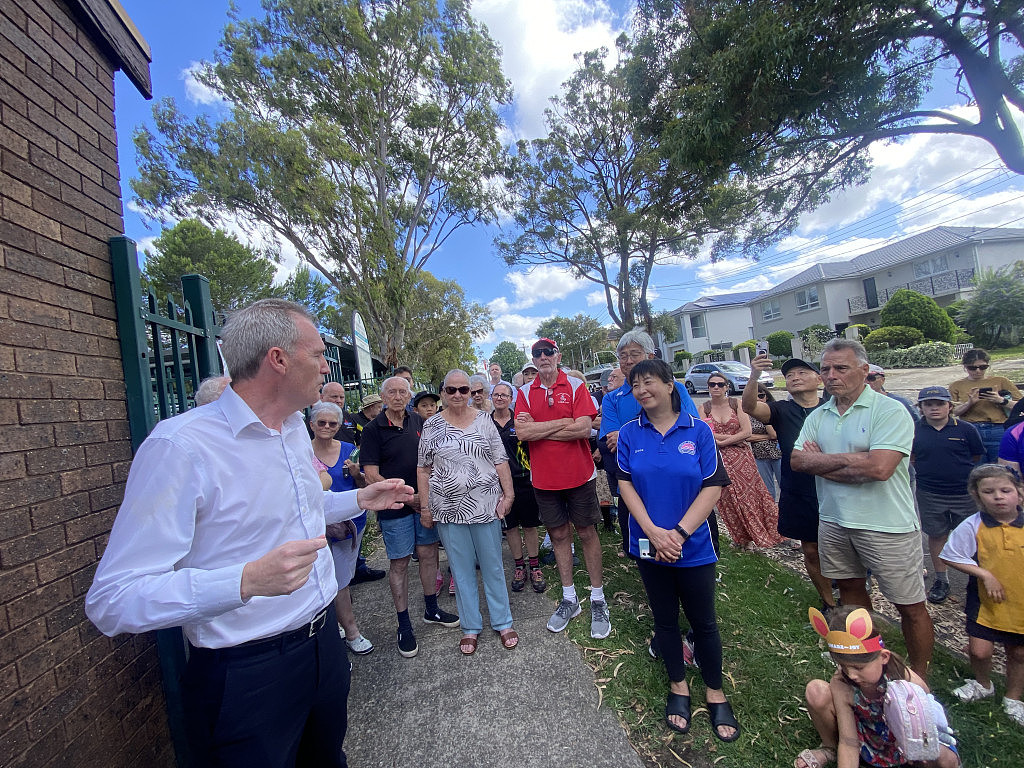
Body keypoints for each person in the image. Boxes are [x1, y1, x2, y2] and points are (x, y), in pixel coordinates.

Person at [84, 298, 415, 767]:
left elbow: (301, 508)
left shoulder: (293, 431)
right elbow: (112, 600)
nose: (327, 366)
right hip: (246, 673)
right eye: (318, 354)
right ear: (278, 359)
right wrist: (244, 581)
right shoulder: (179, 447)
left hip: (321, 646)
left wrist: (360, 499)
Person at [792, 338, 933, 679]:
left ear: (864, 370)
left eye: (841, 368)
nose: (831, 376)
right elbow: (798, 461)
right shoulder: (819, 415)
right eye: (825, 369)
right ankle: (867, 663)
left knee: (909, 605)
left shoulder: (889, 411)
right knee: (852, 597)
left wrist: (821, 460)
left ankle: (918, 678)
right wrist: (858, 459)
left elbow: (879, 469)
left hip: (887, 526)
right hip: (835, 522)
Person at [616, 359, 739, 742]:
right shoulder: (629, 434)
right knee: (665, 619)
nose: (641, 390)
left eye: (648, 381)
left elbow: (713, 486)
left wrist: (679, 535)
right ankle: (678, 686)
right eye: (635, 385)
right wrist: (654, 533)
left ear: (670, 385)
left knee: (704, 621)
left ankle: (716, 692)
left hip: (695, 544)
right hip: (648, 544)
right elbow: (625, 485)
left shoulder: (698, 430)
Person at [514, 337, 610, 639]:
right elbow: (522, 432)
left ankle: (597, 598)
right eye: (537, 353)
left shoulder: (576, 386)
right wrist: (561, 423)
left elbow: (584, 428)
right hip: (544, 479)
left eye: (548, 352)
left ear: (558, 356)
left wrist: (540, 429)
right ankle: (570, 599)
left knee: (586, 532)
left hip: (580, 476)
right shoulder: (524, 392)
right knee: (557, 535)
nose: (542, 357)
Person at [417, 370, 518, 655]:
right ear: (443, 393)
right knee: (460, 572)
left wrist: (508, 495)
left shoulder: (485, 421)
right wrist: (425, 507)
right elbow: (423, 469)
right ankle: (470, 626)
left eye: (464, 390)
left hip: (486, 507)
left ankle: (502, 621)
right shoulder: (432, 425)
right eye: (452, 390)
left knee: (493, 567)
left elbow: (500, 460)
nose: (458, 395)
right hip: (448, 511)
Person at [360, 376, 459, 658]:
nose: (398, 396)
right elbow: (370, 474)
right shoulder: (372, 429)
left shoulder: (419, 422)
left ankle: (431, 609)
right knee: (400, 563)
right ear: (383, 396)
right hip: (396, 508)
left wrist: (424, 498)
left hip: (423, 504)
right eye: (392, 391)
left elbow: (432, 461)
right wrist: (407, 497)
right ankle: (403, 624)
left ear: (409, 396)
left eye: (403, 391)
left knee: (429, 555)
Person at [796, 606, 959, 768]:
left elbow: (927, 715)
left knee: (945, 759)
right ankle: (829, 748)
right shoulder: (842, 684)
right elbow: (848, 741)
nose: (851, 675)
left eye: (859, 668)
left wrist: (920, 748)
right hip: (872, 742)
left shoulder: (902, 677)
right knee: (815, 689)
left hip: (911, 739)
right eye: (843, 666)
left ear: (883, 657)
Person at [742, 355, 835, 612]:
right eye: (790, 374)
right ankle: (828, 602)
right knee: (812, 549)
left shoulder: (834, 407)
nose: (794, 377)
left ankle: (852, 594)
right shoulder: (782, 410)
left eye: (802, 372)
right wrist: (753, 376)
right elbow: (750, 407)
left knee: (845, 548)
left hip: (836, 488)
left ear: (819, 379)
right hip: (799, 490)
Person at [600, 330, 701, 554]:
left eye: (634, 354)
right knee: (639, 543)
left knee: (683, 535)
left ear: (650, 356)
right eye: (622, 355)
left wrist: (631, 439)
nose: (627, 360)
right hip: (634, 481)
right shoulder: (611, 398)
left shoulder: (676, 388)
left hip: (677, 478)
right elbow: (612, 442)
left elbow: (692, 429)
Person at [940, 464, 1024, 726]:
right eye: (989, 491)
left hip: (1020, 605)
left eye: (1005, 490)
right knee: (979, 651)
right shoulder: (972, 525)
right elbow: (951, 555)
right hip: (986, 602)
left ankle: (1013, 697)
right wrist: (985, 575)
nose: (998, 496)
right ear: (977, 496)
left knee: (1019, 653)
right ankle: (983, 684)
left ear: (1019, 494)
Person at [310, 401, 373, 655]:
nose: (327, 427)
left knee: (341, 581)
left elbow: (362, 484)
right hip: (315, 529)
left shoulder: (349, 450)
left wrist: (358, 474)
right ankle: (343, 630)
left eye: (332, 423)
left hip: (348, 527)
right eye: (321, 422)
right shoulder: (301, 451)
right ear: (312, 424)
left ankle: (348, 630)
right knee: (319, 582)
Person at [910, 386, 983, 605]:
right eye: (928, 404)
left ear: (950, 406)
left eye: (940, 403)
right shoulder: (913, 430)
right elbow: (912, 457)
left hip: (964, 492)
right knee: (937, 535)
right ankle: (942, 579)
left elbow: (976, 455)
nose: (934, 408)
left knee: (972, 538)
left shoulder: (966, 429)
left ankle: (976, 580)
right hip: (930, 492)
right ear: (921, 408)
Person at [701, 371, 784, 549]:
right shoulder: (704, 408)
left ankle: (764, 533)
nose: (716, 387)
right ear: (708, 387)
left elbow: (746, 432)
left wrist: (723, 441)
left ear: (727, 387)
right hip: (719, 459)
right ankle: (741, 538)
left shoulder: (736, 404)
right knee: (728, 500)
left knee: (752, 496)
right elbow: (704, 433)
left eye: (720, 384)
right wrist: (731, 439)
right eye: (712, 384)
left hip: (741, 458)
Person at [491, 381, 546, 593]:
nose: (500, 398)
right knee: (511, 526)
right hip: (500, 484)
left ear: (511, 398)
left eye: (504, 395)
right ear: (492, 398)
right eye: (496, 395)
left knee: (530, 525)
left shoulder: (520, 420)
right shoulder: (487, 423)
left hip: (524, 479)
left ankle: (534, 566)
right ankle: (519, 566)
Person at [949, 348, 1023, 462]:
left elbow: (1020, 406)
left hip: (998, 427)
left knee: (1001, 467)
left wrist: (1001, 400)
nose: (978, 371)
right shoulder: (956, 385)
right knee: (976, 469)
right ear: (965, 367)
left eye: (983, 367)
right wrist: (970, 403)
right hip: (971, 428)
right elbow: (952, 411)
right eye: (972, 367)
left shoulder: (1001, 381)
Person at [747, 383, 783, 499]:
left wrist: (765, 414)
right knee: (767, 489)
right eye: (755, 396)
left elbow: (773, 434)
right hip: (760, 455)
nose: (758, 399)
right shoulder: (747, 415)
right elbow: (747, 437)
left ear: (767, 396)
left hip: (777, 453)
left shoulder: (773, 410)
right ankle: (772, 513)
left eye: (761, 396)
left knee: (784, 484)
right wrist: (767, 436)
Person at [320, 381, 360, 445]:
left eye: (341, 397)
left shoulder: (347, 416)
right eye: (334, 397)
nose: (339, 401)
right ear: (322, 397)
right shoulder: (315, 419)